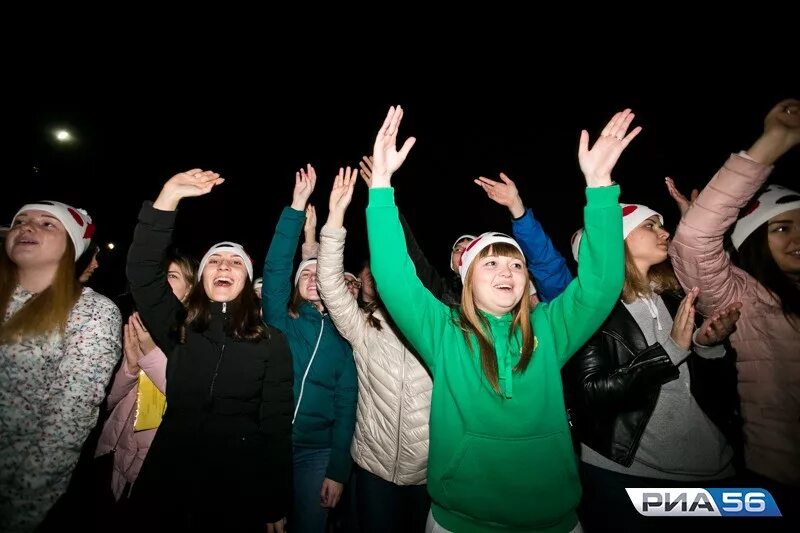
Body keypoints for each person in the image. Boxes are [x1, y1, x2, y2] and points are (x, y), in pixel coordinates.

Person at [366, 105, 633, 532]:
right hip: (459, 519)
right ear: (467, 280)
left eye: (514, 265)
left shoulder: (550, 327)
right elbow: (395, 278)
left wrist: (600, 187)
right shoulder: (444, 332)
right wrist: (381, 188)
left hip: (553, 520)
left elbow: (600, 286)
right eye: (489, 264)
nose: (505, 271)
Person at [126, 169, 293, 532]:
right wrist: (168, 196)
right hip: (169, 473)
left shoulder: (271, 341)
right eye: (215, 261)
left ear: (247, 281)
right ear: (202, 277)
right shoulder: (178, 326)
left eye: (235, 263)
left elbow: (276, 426)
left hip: (236, 484)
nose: (223, 266)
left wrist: (275, 499)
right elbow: (141, 270)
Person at [565, 205, 742, 532]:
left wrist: (708, 345)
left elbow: (716, 388)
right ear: (617, 241)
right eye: (650, 225)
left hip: (712, 466)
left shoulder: (678, 294)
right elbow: (592, 393)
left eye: (662, 224)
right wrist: (671, 350)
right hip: (628, 473)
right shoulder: (591, 308)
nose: (664, 232)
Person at [669, 99, 800, 512]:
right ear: (753, 241)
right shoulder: (743, 296)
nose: (797, 239)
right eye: (782, 227)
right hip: (775, 479)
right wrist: (773, 142)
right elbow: (694, 242)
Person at [317, 166, 433, 532]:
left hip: (429, 476)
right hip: (373, 470)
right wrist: (335, 217)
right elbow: (331, 286)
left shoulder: (438, 328)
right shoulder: (366, 328)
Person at [0, 201, 122, 532]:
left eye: (47, 224)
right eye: (20, 220)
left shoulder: (92, 312)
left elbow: (67, 420)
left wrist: (21, 508)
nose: (27, 227)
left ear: (72, 244)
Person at [262, 164, 357, 533]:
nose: (314, 278)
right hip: (268, 444)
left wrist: (338, 471)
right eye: (306, 273)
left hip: (316, 453)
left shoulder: (347, 337)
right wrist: (297, 204)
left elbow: (346, 405)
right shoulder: (279, 319)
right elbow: (275, 267)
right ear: (295, 284)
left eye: (321, 274)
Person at [95, 253, 197, 504]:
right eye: (159, 277)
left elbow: (190, 399)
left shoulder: (197, 334)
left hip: (158, 462)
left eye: (172, 277)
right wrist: (129, 366)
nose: (161, 283)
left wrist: (150, 355)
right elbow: (106, 402)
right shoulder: (136, 322)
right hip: (117, 452)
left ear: (191, 289)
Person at [474, 172, 573, 302]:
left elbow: (545, 263)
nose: (506, 272)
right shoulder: (449, 319)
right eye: (492, 263)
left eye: (516, 265)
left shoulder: (555, 315)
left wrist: (516, 205)